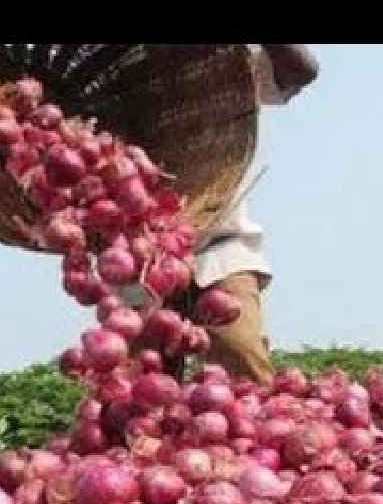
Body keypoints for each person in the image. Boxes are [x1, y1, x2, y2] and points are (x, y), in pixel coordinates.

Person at [126, 45, 320, 386]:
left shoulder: (217, 68)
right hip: (139, 260)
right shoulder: (116, 85)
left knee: (242, 362)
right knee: (138, 387)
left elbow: (300, 71)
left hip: (220, 248)